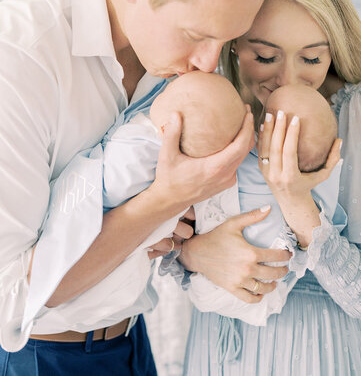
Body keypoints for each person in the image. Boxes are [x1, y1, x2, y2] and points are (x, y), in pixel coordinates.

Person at [0, 0, 286, 375]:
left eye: (227, 41)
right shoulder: (21, 58)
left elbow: (159, 236)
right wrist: (166, 200)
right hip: (39, 357)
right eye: (197, 35)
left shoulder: (182, 51)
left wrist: (192, 245)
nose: (207, 62)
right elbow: (11, 298)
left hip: (133, 342)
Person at [180, 0, 361, 375]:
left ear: (333, 50)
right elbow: (165, 238)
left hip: (312, 351)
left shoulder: (357, 113)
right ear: (234, 44)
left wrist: (297, 201)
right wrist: (194, 255)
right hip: (215, 345)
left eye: (312, 58)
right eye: (265, 57)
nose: (289, 80)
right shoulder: (212, 105)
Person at [25, 71, 247, 332]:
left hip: (120, 322)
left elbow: (110, 186)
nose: (158, 96)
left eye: (168, 95)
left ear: (168, 128)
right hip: (57, 332)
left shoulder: (141, 147)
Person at [188, 83, 346, 326]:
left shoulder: (318, 189)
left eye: (311, 58)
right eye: (266, 56)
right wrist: (189, 252)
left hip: (263, 292)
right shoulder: (227, 123)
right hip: (218, 280)